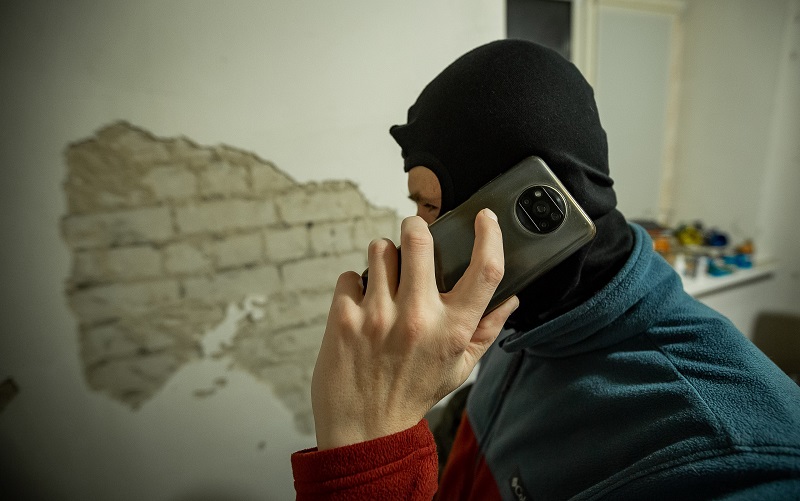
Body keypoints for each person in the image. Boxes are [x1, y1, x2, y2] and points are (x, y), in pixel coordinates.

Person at [291, 40, 800, 500]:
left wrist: (370, 455)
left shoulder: (734, 461)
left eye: (429, 207)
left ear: (521, 203)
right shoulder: (520, 313)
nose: (417, 236)